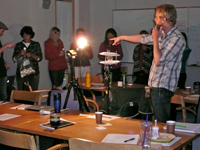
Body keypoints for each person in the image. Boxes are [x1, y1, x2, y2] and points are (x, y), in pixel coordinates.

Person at [111, 4, 186, 123]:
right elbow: (142, 38)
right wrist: (122, 37)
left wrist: (155, 39)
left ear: (164, 19)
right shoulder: (162, 35)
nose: (154, 19)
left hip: (163, 88)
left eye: (156, 17)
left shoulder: (177, 39)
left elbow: (158, 61)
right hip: (155, 86)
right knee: (155, 120)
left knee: (161, 121)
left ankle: (164, 141)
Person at [13, 26, 43, 91]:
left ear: (31, 35)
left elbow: (40, 58)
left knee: (34, 93)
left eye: (27, 35)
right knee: (21, 94)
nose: (25, 37)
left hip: (34, 72)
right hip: (21, 73)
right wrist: (20, 54)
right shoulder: (18, 45)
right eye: (24, 35)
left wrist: (31, 55)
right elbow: (14, 59)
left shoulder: (36, 44)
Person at [0, 21, 15, 101]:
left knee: (4, 94)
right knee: (3, 95)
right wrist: (6, 46)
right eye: (2, 31)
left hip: (2, 71)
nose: (2, 33)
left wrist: (4, 62)